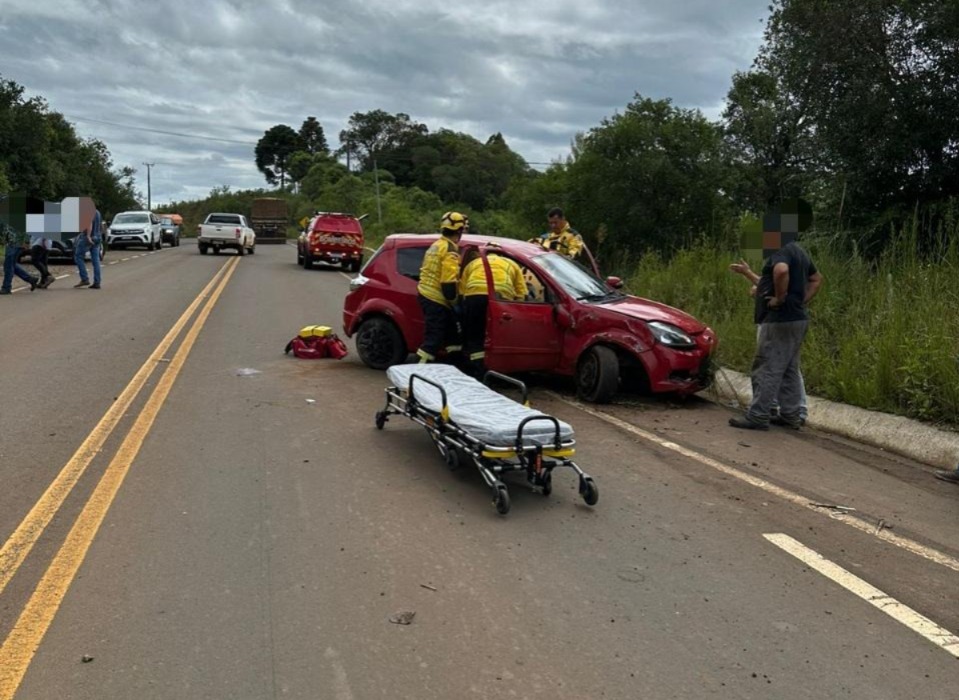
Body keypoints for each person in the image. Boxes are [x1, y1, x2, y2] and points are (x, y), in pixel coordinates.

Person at [729, 241, 823, 431]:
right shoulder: (798, 251)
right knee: (789, 369)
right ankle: (791, 415)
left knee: (767, 367)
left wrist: (780, 299)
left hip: (779, 320)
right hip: (797, 319)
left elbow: (781, 271)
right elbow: (816, 279)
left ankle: (758, 415)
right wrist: (798, 302)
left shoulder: (780, 250)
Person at [458, 248, 529, 376]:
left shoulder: (474, 262)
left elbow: (461, 290)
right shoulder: (511, 264)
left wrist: (464, 307)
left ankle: (477, 369)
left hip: (474, 296)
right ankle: (498, 368)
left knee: (475, 333)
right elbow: (521, 292)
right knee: (497, 334)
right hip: (500, 299)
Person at [414, 211, 467, 363]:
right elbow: (448, 284)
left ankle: (456, 365)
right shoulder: (450, 250)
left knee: (453, 336)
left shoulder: (437, 245)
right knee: (433, 340)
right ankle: (416, 372)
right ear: (459, 231)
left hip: (428, 295)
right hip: (436, 299)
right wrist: (456, 303)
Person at [1, 222, 40, 295]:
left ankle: (6, 287)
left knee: (9, 265)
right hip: (11, 242)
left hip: (17, 242)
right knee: (11, 264)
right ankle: (31, 279)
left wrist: (27, 241)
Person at [74, 206, 102, 289]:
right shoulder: (97, 212)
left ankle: (84, 278)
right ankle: (97, 282)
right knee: (96, 260)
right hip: (97, 237)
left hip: (87, 237)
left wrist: (88, 236)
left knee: (78, 256)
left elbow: (89, 223)